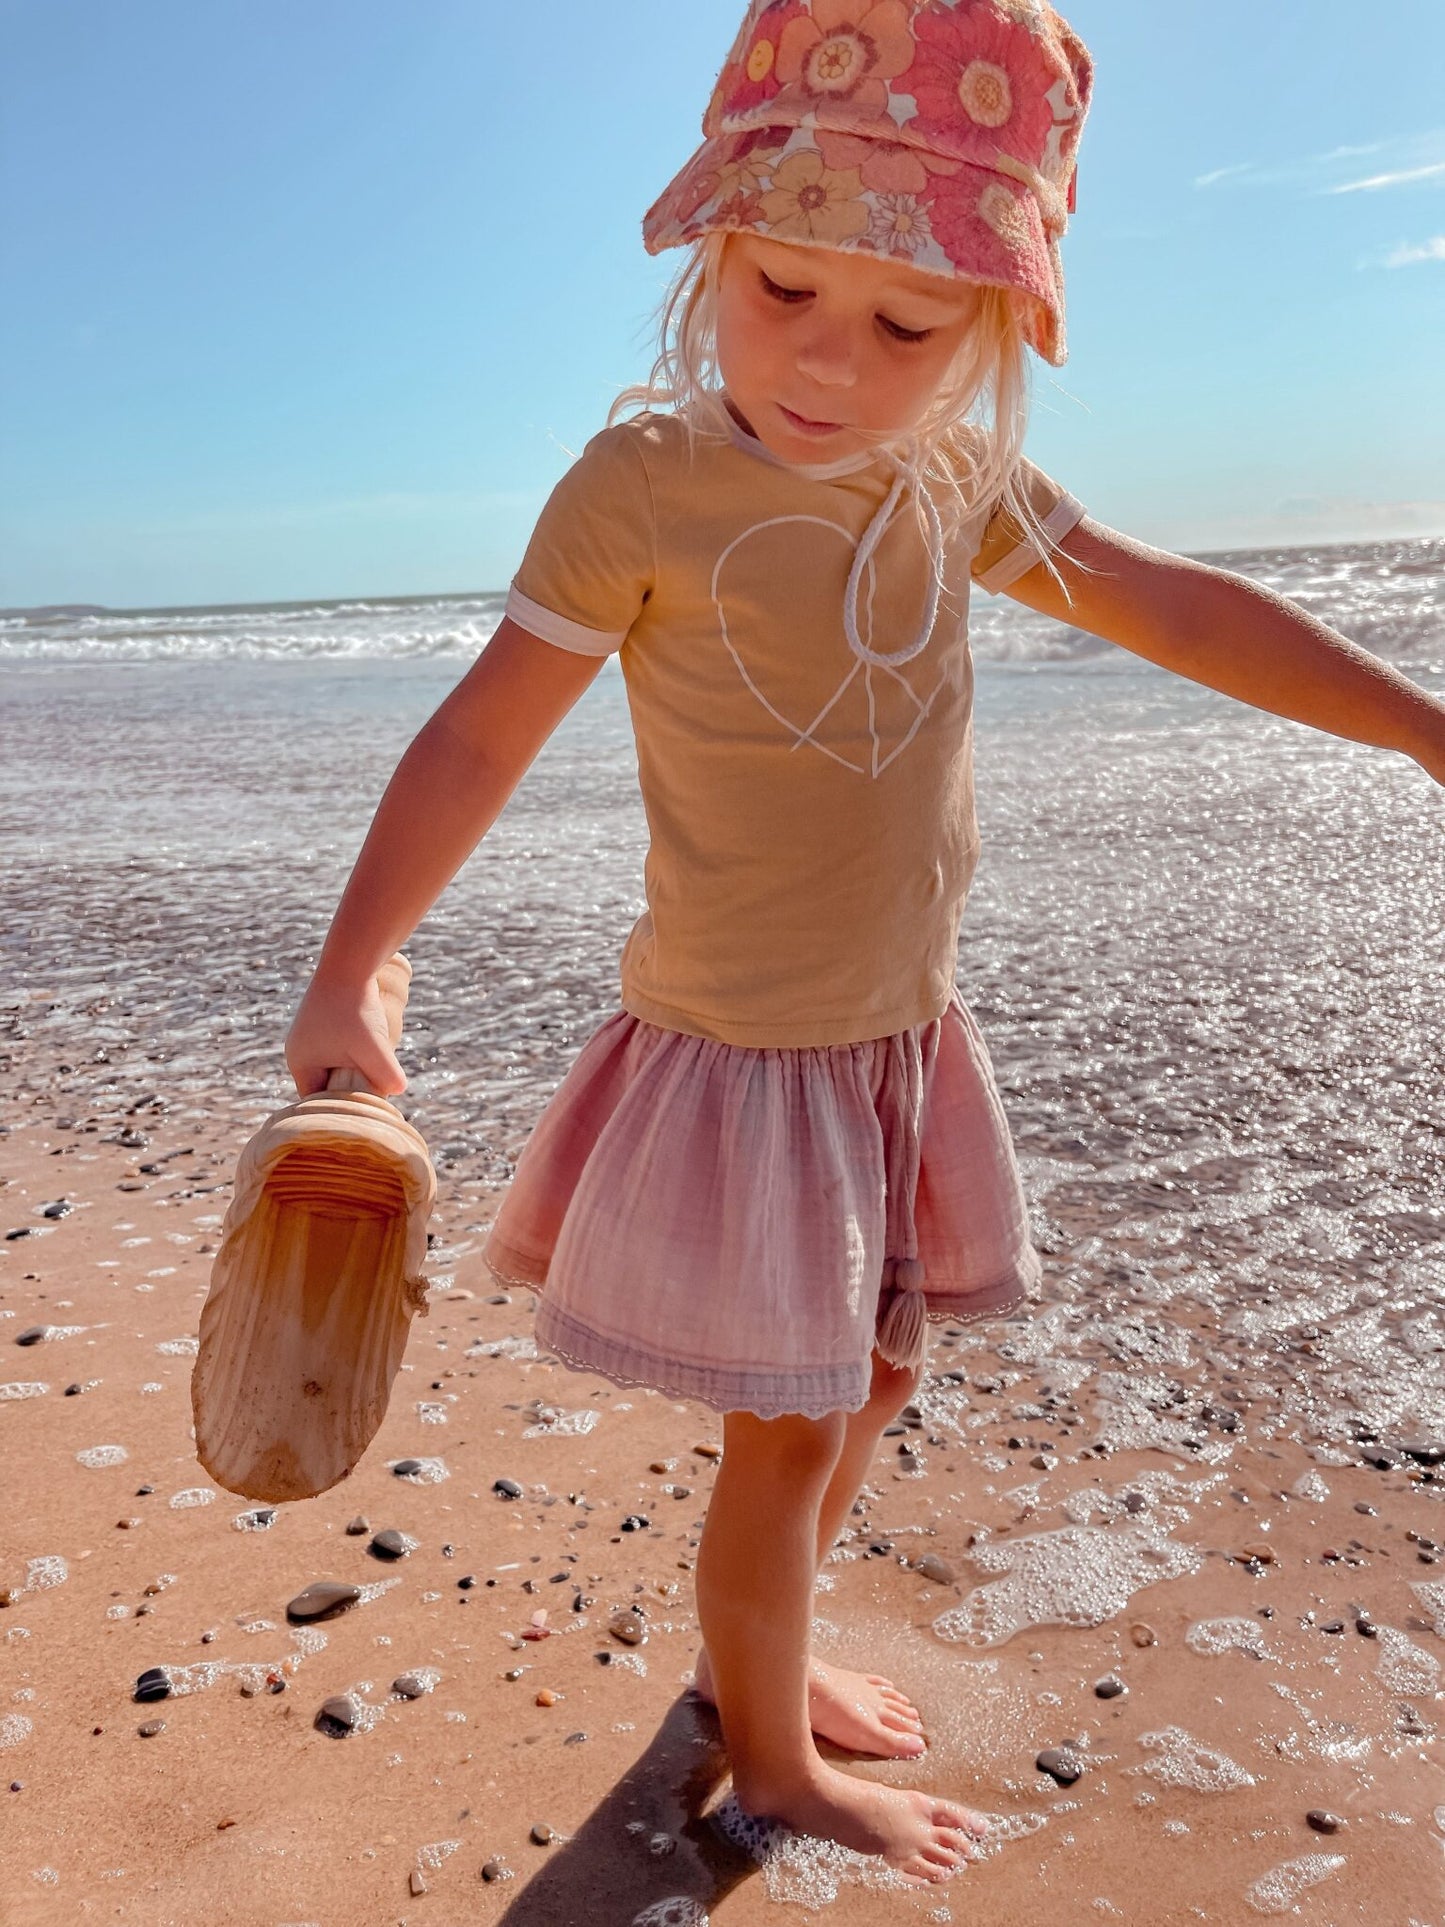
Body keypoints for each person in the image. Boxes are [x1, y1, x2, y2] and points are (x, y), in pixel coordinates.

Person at [285, 0, 1445, 1887]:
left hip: (900, 1037)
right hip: (749, 1065)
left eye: (906, 327)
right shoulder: (643, 488)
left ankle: (772, 1655)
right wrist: (350, 968)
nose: (828, 365)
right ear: (710, 263)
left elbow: (1171, 606)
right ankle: (768, 1765)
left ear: (990, 333)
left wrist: (1417, 722)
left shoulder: (951, 483)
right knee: (789, 1435)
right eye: (779, 293)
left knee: (876, 1379)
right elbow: (478, 735)